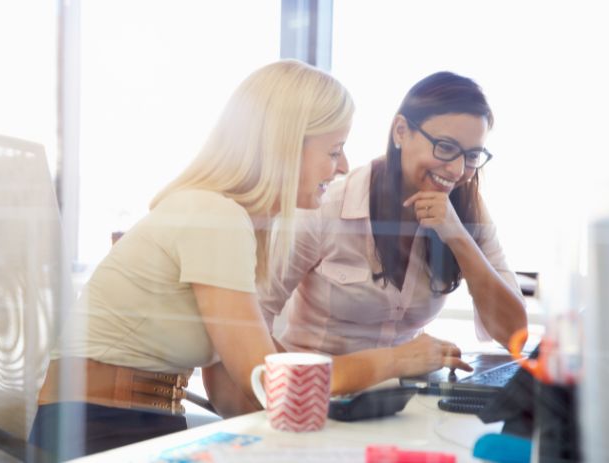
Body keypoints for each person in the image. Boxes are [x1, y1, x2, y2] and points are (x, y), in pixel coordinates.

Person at [29, 59, 393, 460]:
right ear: (287, 147)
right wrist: (396, 362)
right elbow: (268, 379)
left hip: (138, 426)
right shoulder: (215, 217)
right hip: (96, 433)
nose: (342, 167)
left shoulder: (233, 223)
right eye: (335, 150)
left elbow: (228, 393)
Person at [259, 71, 527, 383]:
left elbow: (514, 336)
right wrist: (294, 388)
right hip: (322, 395)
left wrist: (458, 237)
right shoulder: (329, 205)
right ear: (401, 131)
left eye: (472, 156)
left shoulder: (469, 209)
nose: (456, 169)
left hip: (401, 402)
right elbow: (252, 320)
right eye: (444, 147)